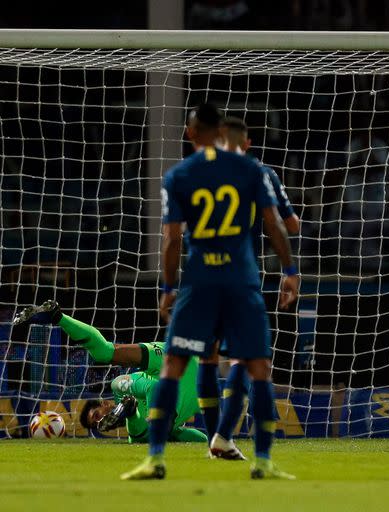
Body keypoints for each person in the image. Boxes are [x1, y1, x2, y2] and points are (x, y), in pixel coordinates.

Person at [121, 103, 299, 481]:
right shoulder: (252, 170)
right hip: (242, 280)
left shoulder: (180, 175)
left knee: (174, 365)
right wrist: (290, 271)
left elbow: (171, 239)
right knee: (257, 368)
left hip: (200, 282)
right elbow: (276, 226)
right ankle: (263, 462)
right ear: (221, 130)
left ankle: (155, 459)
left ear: (189, 134)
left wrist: (168, 287)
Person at [197, 116, 301, 461]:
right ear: (248, 143)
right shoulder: (260, 173)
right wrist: (290, 269)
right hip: (238, 276)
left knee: (208, 357)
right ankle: (222, 437)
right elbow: (289, 225)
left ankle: (215, 439)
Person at [12, 300, 205, 443]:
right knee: (138, 438)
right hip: (199, 384)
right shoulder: (139, 429)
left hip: (171, 361)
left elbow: (154, 387)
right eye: (97, 424)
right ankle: (146, 415)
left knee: (109, 361)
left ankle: (57, 316)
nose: (100, 420)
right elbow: (198, 438)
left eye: (97, 415)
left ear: (104, 403)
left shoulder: (124, 385)